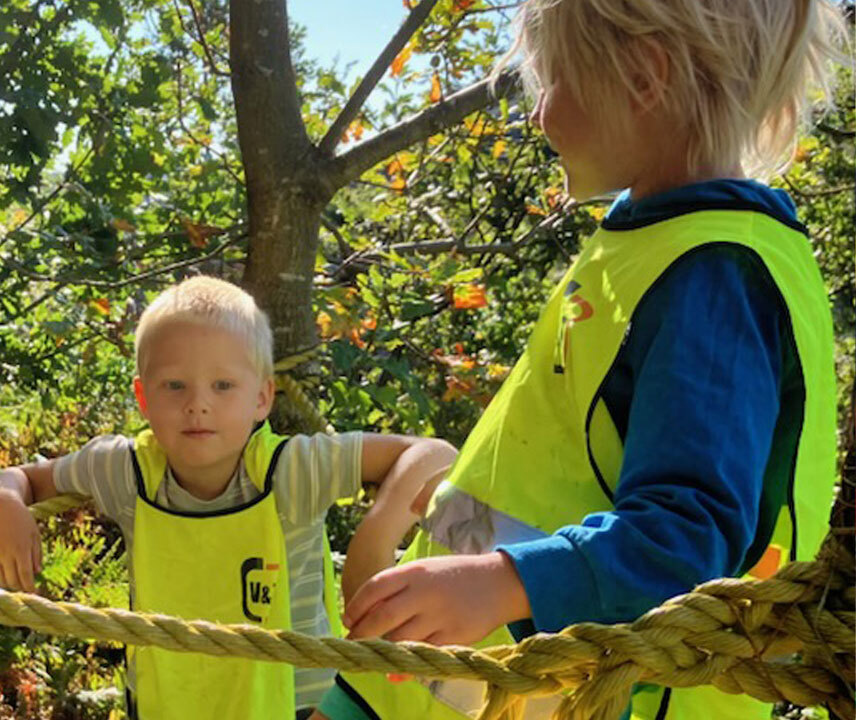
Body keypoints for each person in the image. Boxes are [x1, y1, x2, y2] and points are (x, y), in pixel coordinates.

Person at [315, 1, 846, 718]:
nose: (540, 117)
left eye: (554, 80)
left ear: (643, 75)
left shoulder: (713, 275)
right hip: (470, 677)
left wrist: (502, 583)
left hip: (580, 691)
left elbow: (689, 539)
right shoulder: (653, 243)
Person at [0, 276, 457, 719]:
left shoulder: (291, 470)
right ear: (143, 399)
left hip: (299, 705)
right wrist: (2, 502)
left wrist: (372, 541)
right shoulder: (124, 470)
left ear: (262, 399)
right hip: (169, 704)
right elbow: (22, 478)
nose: (198, 403)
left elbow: (433, 453)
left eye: (223, 385)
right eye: (174, 385)